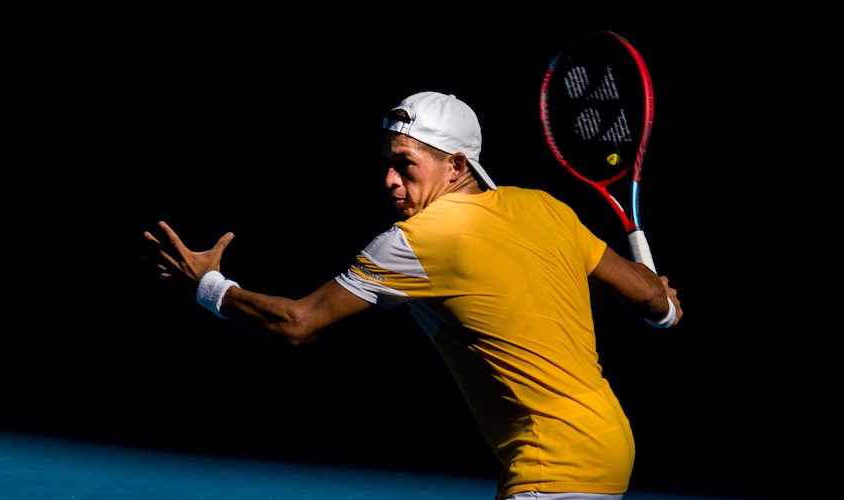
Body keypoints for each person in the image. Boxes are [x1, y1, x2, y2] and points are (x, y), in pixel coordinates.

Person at [141, 90, 682, 500]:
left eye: (405, 165)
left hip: (556, 466)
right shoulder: (544, 207)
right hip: (610, 443)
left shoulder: (418, 240)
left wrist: (208, 285)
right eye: (388, 162)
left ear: (456, 165)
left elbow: (297, 324)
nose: (389, 180)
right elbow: (654, 304)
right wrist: (663, 304)